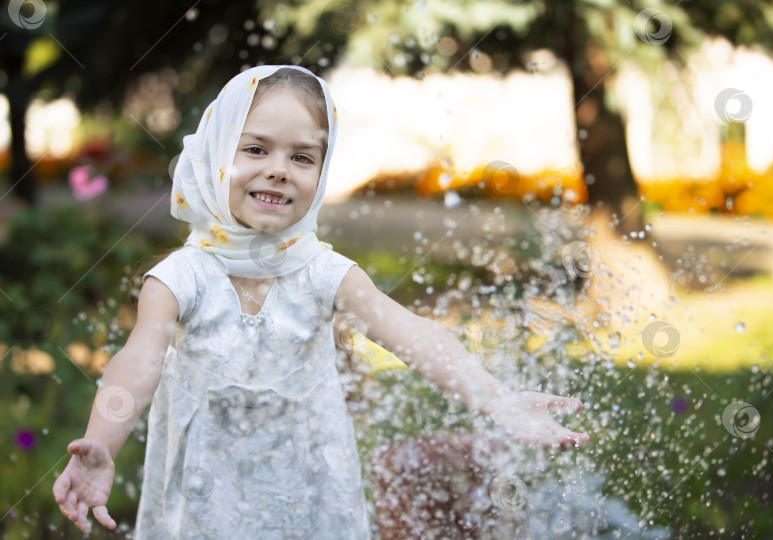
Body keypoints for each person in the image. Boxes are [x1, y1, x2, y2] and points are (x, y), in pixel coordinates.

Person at [52, 64, 589, 538]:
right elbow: (139, 361)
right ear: (217, 156)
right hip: (206, 504)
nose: (278, 168)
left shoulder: (323, 272)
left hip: (311, 502)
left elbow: (413, 334)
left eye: (302, 157)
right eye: (256, 149)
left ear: (321, 171)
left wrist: (493, 397)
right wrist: (102, 441)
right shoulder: (181, 277)